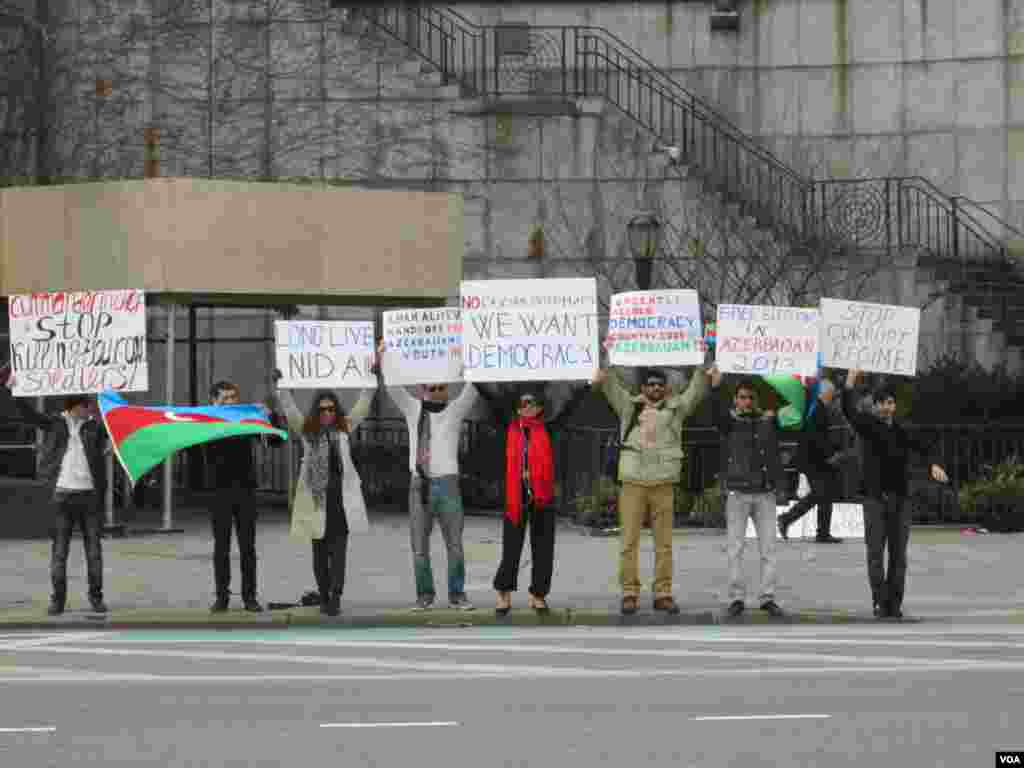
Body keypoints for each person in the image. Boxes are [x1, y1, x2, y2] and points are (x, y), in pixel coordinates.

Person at [594, 365, 709, 616]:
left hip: (663, 483)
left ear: (666, 388)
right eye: (651, 384)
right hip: (633, 482)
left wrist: (702, 365)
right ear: (643, 388)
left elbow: (696, 391)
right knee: (628, 542)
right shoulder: (628, 405)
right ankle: (629, 593)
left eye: (659, 384)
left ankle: (663, 593)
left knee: (664, 544)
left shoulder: (676, 408)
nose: (655, 388)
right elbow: (609, 384)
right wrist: (605, 358)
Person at [378, 341, 479, 611]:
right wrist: (385, 356)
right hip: (418, 484)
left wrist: (476, 352)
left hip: (448, 484)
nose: (436, 392)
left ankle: (457, 595)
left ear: (447, 388)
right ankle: (425, 596)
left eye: (441, 387)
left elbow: (474, 386)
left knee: (455, 545)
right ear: (422, 390)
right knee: (419, 548)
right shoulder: (414, 410)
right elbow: (392, 388)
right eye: (431, 388)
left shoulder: (455, 410)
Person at [0, 367, 109, 615]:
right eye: (86, 407)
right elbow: (29, 415)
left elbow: (115, 430)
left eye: (90, 408)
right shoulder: (54, 423)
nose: (89, 411)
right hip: (62, 495)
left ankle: (96, 598)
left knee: (94, 551)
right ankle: (57, 600)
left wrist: (111, 440)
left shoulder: (94, 428)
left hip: (89, 496)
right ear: (74, 407)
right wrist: (13, 389)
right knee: (60, 551)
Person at [842, 368, 949, 619]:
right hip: (875, 498)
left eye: (891, 403)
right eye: (883, 404)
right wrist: (850, 381)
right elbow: (849, 410)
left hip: (901, 499)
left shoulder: (902, 430)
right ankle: (880, 601)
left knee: (899, 556)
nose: (888, 408)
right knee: (875, 553)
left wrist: (933, 464)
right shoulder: (867, 425)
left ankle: (895, 603)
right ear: (876, 406)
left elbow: (924, 447)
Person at [476, 382, 589, 615]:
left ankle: (538, 595)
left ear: (540, 408)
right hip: (515, 498)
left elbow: (569, 407)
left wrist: (588, 385)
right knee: (511, 549)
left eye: (532, 403)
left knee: (543, 549)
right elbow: (492, 400)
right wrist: (474, 376)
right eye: (523, 403)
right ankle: (503, 594)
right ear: (517, 408)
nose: (528, 407)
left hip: (542, 497)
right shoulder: (510, 427)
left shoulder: (547, 428)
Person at [271, 369, 373, 616]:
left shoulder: (344, 428)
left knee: (339, 553)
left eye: (331, 409)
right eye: (322, 409)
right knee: (319, 553)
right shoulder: (307, 431)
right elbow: (289, 407)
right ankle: (324, 594)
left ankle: (336, 595)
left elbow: (364, 403)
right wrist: (281, 384)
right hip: (316, 501)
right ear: (316, 411)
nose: (327, 413)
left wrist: (371, 379)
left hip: (340, 501)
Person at [709, 368, 787, 618]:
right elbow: (716, 413)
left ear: (757, 400)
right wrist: (716, 385)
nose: (746, 402)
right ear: (735, 399)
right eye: (742, 397)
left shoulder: (768, 420)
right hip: (738, 492)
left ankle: (767, 596)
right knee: (735, 548)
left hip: (764, 492)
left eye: (750, 398)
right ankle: (737, 597)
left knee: (769, 548)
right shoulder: (729, 421)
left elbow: (795, 421)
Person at [205, 380, 263, 613]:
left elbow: (276, 439)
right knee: (221, 548)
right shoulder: (205, 423)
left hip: (245, 491)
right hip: (219, 492)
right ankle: (222, 597)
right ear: (213, 401)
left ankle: (250, 597)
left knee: (248, 547)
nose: (231, 402)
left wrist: (268, 416)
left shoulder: (246, 421)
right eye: (225, 398)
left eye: (233, 397)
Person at [778, 379, 844, 543]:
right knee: (821, 493)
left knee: (824, 493)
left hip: (813, 458)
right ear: (825, 392)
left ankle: (821, 532)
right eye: (832, 393)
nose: (833, 396)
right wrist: (829, 455)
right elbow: (816, 437)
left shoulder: (817, 407)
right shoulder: (817, 408)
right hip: (813, 459)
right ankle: (787, 519)